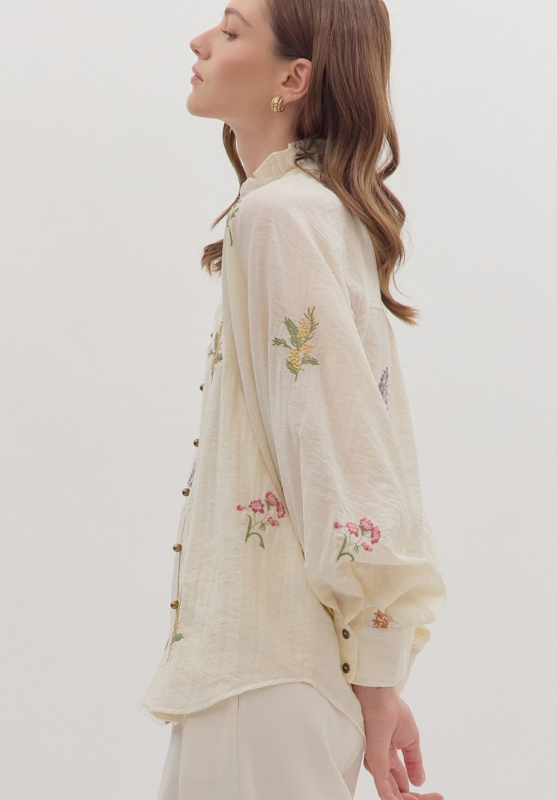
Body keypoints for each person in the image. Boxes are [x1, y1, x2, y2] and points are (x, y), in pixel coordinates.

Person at [139, 2, 447, 799]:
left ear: (293, 78)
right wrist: (374, 681)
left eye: (233, 29)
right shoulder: (298, 213)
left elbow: (343, 456)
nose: (200, 39)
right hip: (267, 674)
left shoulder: (280, 218)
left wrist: (378, 682)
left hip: (265, 682)